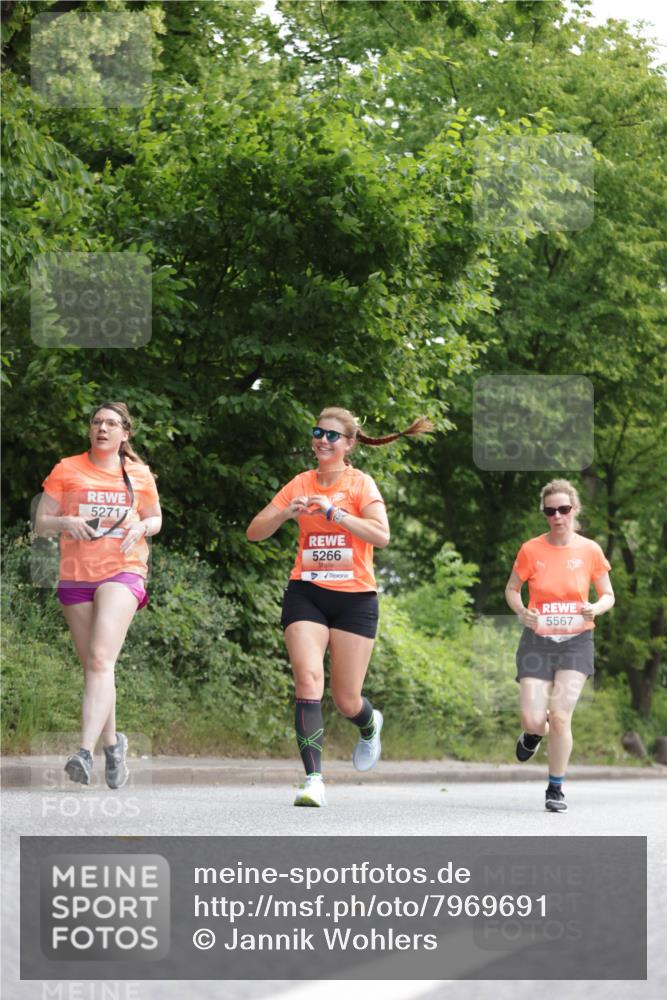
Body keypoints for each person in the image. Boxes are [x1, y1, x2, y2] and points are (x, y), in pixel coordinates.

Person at [246, 407, 432, 807]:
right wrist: (285, 512)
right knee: (308, 679)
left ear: (349, 444)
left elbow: (381, 535)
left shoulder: (361, 483)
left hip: (355, 599)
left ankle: (369, 724)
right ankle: (313, 779)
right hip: (307, 592)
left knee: (347, 698)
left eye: (332, 435)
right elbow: (254, 532)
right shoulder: (299, 483)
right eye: (318, 432)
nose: (323, 440)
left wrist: (335, 513)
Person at [35, 402, 161, 789]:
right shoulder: (67, 469)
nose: (102, 428)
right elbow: (41, 523)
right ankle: (114, 744)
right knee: (95, 665)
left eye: (111, 423)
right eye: (96, 422)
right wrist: (66, 521)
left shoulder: (138, 474)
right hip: (75, 575)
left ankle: (84, 752)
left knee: (101, 657)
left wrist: (142, 526)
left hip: (123, 571)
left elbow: (156, 519)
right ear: (90, 430)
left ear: (125, 434)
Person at [505, 478, 614, 812]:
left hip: (576, 641)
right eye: (551, 511)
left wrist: (594, 607)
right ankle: (534, 735)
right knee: (533, 718)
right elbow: (512, 590)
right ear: (545, 514)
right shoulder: (531, 549)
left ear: (574, 509)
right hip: (537, 641)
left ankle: (555, 789)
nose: (557, 516)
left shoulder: (590, 550)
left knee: (561, 716)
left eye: (563, 509)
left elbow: (608, 595)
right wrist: (522, 611)